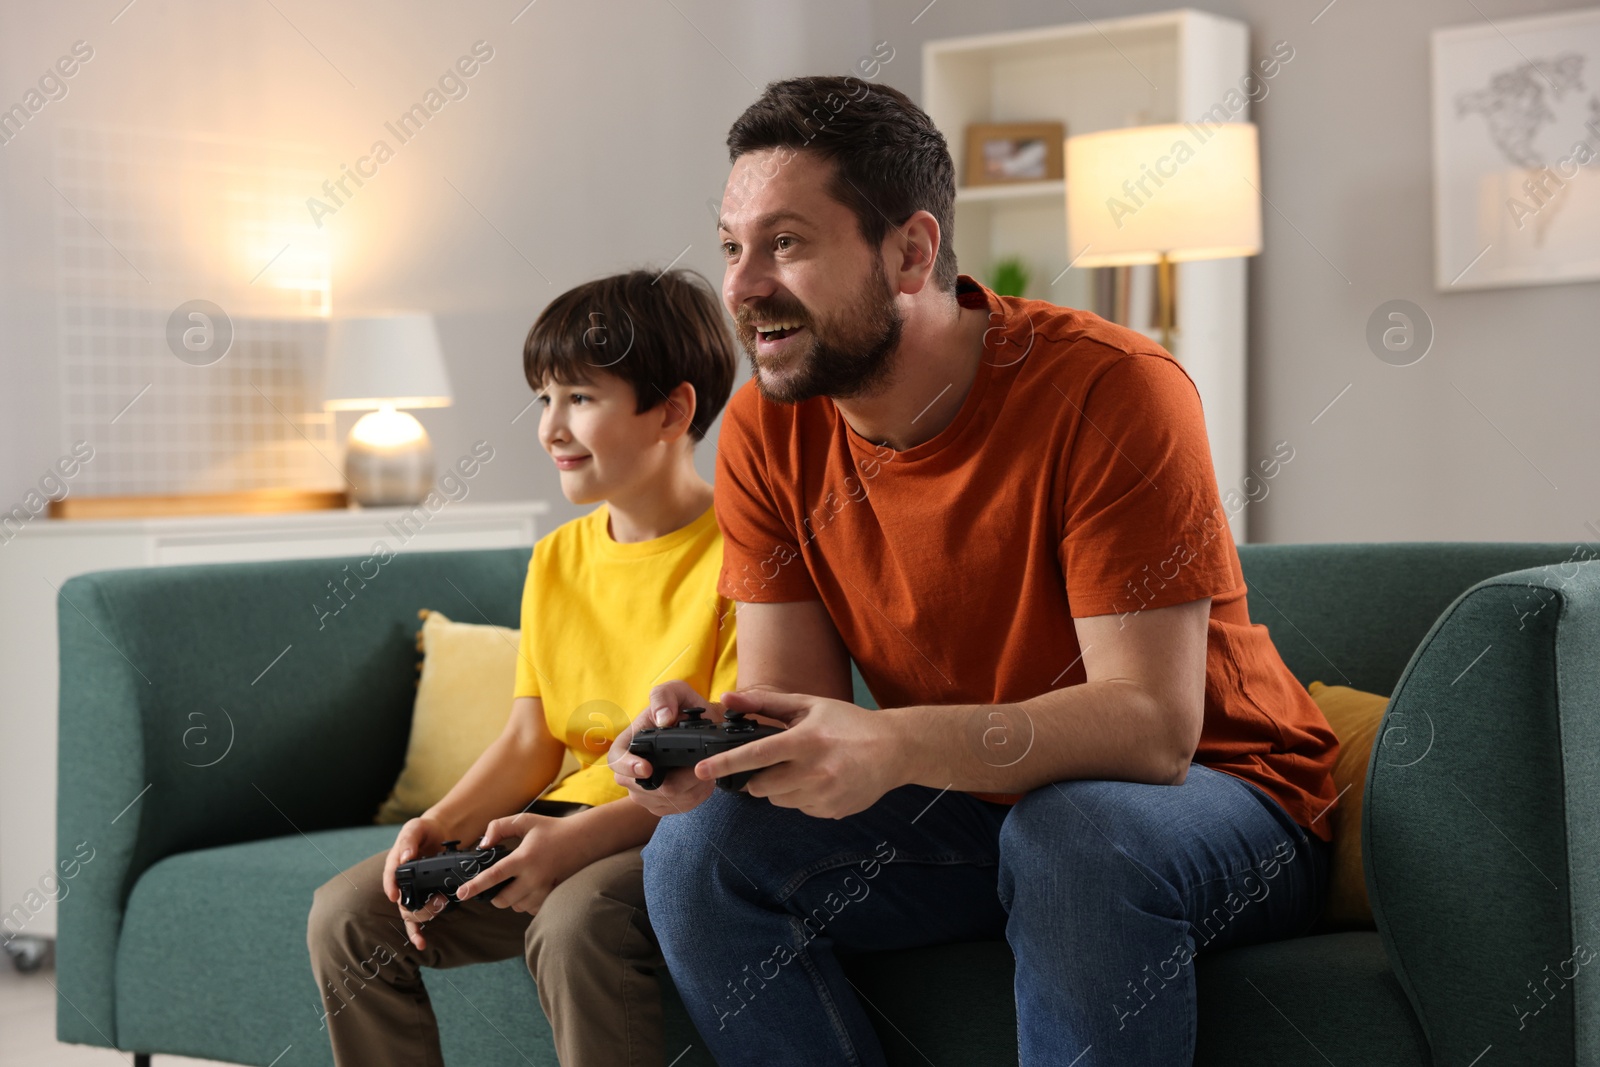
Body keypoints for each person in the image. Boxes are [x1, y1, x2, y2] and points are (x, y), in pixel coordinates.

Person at [610, 76, 1341, 1066]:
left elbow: (1151, 728)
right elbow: (798, 705)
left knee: (1072, 834)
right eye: (734, 245)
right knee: (700, 851)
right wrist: (718, 743)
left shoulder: (1113, 390)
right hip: (980, 805)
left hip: (1223, 797)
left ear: (910, 251)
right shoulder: (765, 427)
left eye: (786, 243)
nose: (739, 286)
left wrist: (893, 742)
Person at [307, 267, 740, 1067]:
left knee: (574, 920)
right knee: (347, 913)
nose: (550, 428)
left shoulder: (742, 557)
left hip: (670, 835)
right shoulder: (556, 559)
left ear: (673, 409)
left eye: (580, 397)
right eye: (545, 398)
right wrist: (438, 822)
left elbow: (719, 775)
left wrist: (571, 847)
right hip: (557, 820)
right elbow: (529, 743)